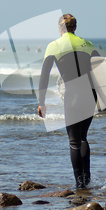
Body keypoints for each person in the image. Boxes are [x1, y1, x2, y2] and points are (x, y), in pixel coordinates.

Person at [37, 14, 100, 189]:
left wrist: (42, 102)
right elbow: (101, 73)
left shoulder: (54, 46)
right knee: (83, 138)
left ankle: (80, 185)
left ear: (60, 28)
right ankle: (86, 181)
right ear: (75, 27)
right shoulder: (88, 45)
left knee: (74, 141)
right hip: (91, 94)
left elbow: (44, 75)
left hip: (72, 95)